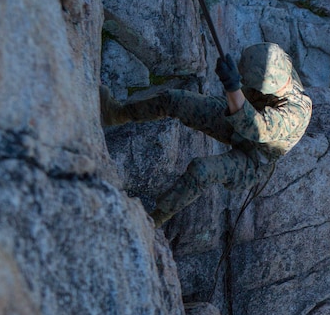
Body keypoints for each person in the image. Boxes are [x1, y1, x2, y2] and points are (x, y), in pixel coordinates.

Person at [100, 42, 312, 225]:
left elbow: (258, 128)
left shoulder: (296, 112)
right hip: (239, 117)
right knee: (175, 100)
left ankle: (154, 218)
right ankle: (116, 114)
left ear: (269, 87)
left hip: (254, 158)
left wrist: (232, 86)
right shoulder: (279, 64)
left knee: (201, 170)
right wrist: (236, 80)